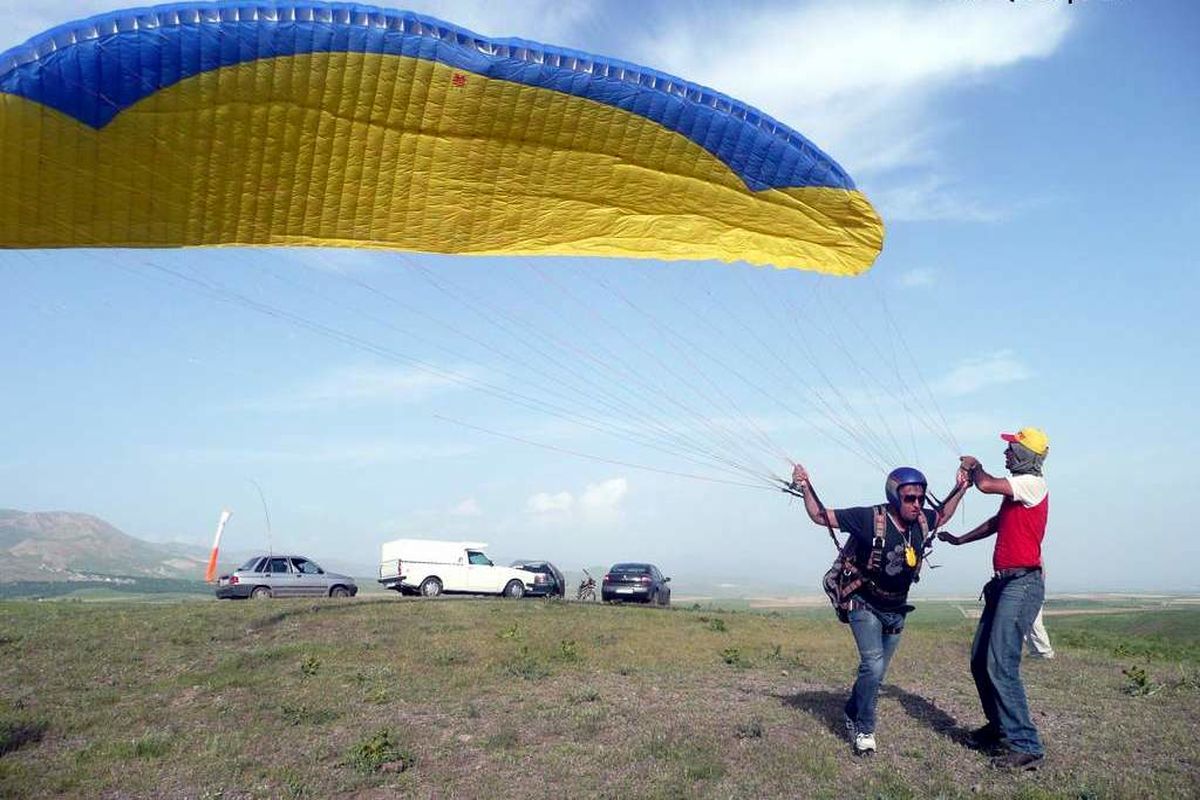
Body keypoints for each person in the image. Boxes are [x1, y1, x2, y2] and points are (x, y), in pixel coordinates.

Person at [792, 462, 967, 756]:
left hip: (896, 607)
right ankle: (864, 729)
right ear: (895, 496)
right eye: (909, 498)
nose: (917, 504)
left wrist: (962, 487)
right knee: (872, 665)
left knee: (876, 674)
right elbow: (820, 516)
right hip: (863, 601)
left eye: (921, 498)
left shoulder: (922, 520)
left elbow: (944, 514)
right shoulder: (869, 519)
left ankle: (851, 710)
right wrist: (805, 485)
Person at [938, 426, 1050, 770]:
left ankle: (1025, 744)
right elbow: (995, 524)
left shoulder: (1032, 484)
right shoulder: (1015, 492)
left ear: (1025, 455)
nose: (1006, 453)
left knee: (1001, 664)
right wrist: (959, 540)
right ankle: (1001, 728)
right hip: (1004, 585)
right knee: (979, 660)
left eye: (1011, 448)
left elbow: (985, 484)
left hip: (1021, 584)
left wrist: (975, 466)